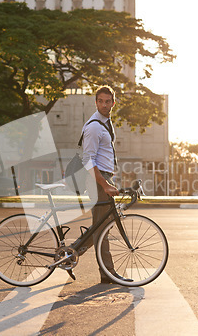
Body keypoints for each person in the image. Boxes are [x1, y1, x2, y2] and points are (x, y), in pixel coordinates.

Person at [80, 85, 132, 284]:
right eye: (100, 101)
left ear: (113, 102)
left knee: (102, 225)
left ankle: (72, 253)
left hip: (104, 177)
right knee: (102, 228)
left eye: (107, 101)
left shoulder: (106, 122)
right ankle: (107, 273)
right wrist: (104, 184)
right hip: (97, 179)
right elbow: (88, 160)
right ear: (96, 102)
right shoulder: (94, 127)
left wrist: (109, 181)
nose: (104, 105)